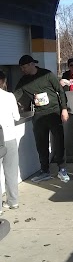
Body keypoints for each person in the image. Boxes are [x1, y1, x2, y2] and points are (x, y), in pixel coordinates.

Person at [14, 55, 70, 183]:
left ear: (32, 64)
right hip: (39, 115)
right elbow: (14, 96)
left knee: (59, 140)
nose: (23, 70)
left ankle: (62, 168)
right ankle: (45, 170)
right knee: (41, 143)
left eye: (24, 67)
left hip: (54, 112)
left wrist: (64, 108)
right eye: (21, 68)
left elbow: (60, 91)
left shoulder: (47, 75)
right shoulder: (24, 81)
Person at [0, 71, 21, 214]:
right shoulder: (9, 96)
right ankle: (13, 201)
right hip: (9, 138)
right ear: (3, 81)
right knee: (11, 171)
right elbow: (17, 117)